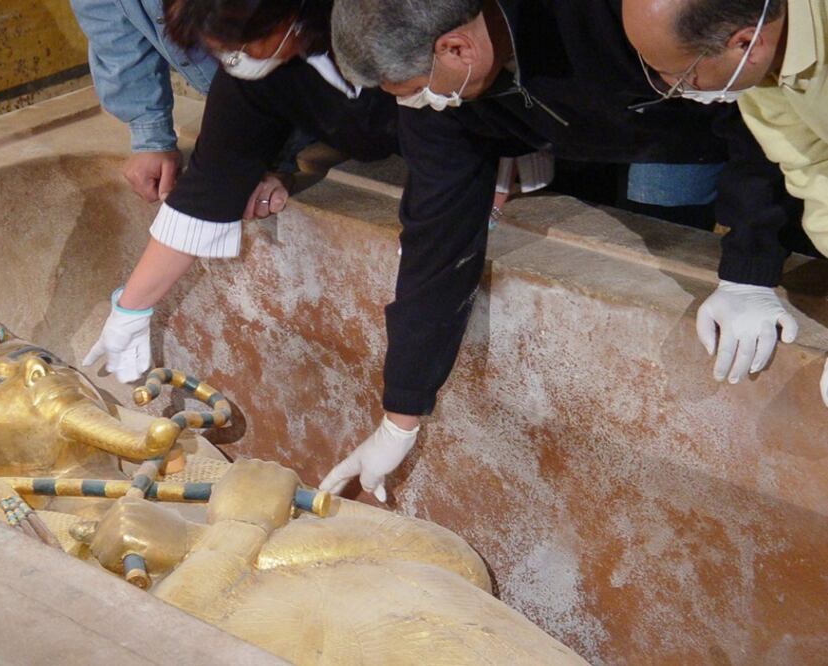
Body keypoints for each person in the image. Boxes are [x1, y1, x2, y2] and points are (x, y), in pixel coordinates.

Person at [321, 0, 804, 498]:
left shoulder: (609, 14)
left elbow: (764, 108)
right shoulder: (446, 83)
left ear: (456, 48)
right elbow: (438, 234)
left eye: (418, 91)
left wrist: (751, 266)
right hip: (603, 129)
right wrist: (402, 412)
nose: (420, 104)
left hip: (717, 111)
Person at [80, 1, 405, 441]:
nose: (233, 63)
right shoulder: (253, 74)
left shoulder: (384, 29)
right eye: (222, 54)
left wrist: (402, 420)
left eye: (237, 49)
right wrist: (131, 307)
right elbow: (211, 182)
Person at [622, 0, 828, 407]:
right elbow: (813, 167)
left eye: (682, 74)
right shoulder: (762, 69)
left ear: (745, 43)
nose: (675, 89)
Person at [69, 0, 291, 210]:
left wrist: (270, 151)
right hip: (248, 109)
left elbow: (296, 42)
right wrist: (151, 135)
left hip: (295, 103)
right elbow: (111, 27)